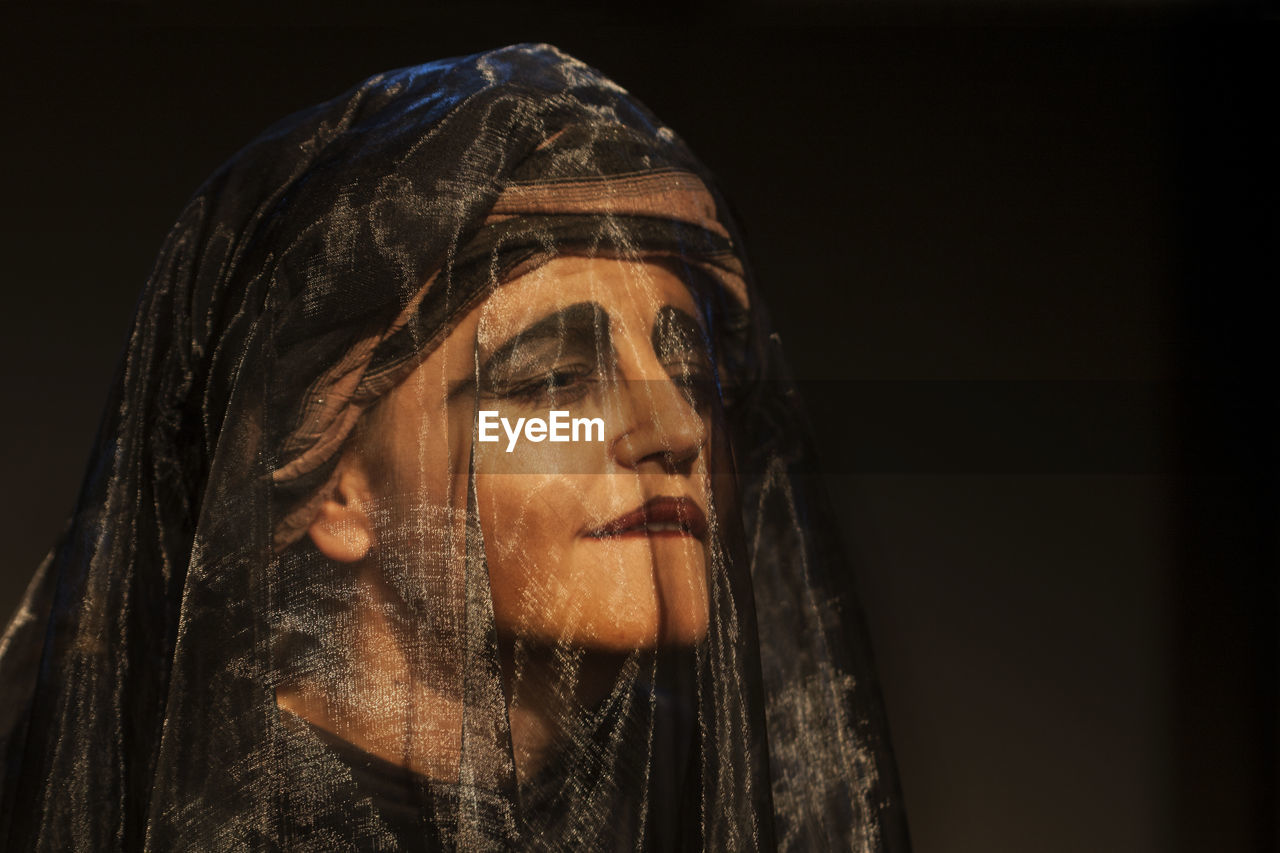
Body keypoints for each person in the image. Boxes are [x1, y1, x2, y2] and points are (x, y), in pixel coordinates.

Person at [0, 43, 909, 850]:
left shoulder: (678, 802)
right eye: (552, 381)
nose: (676, 433)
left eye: (694, 379)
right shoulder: (193, 825)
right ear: (333, 487)